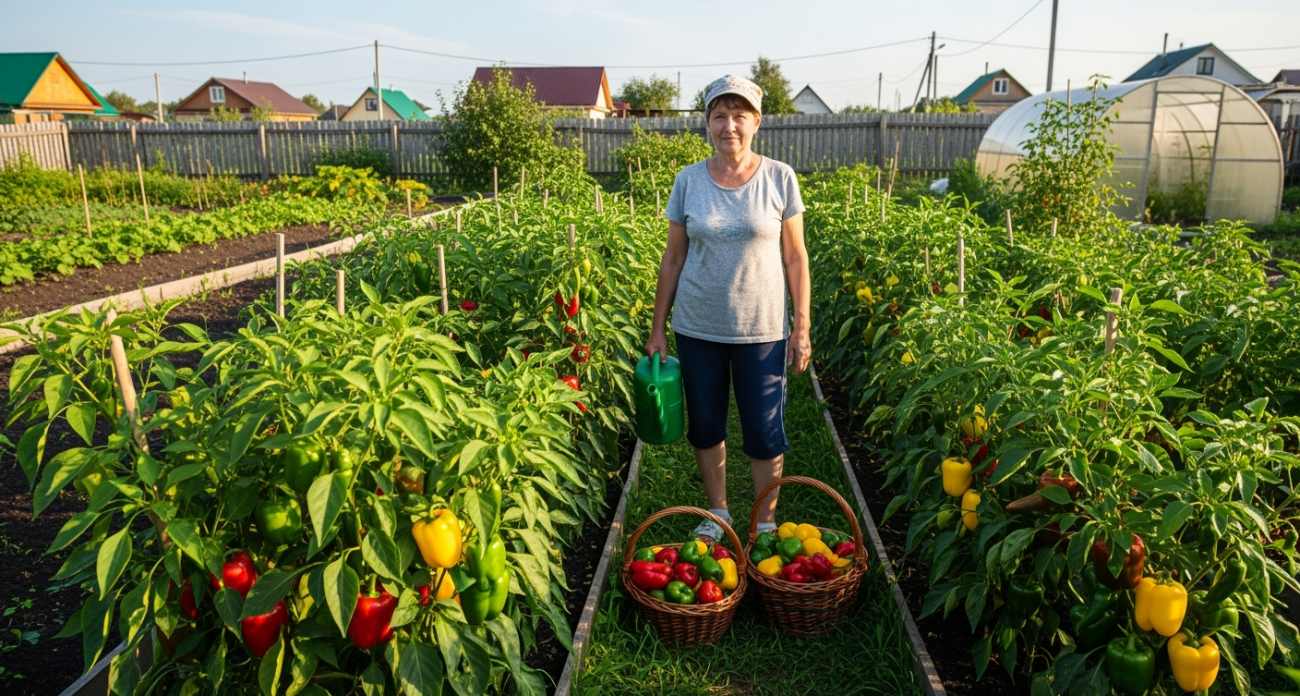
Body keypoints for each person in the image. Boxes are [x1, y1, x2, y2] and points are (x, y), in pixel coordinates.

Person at [644, 74, 812, 542]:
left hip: (762, 329)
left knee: (764, 430)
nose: (729, 126)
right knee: (706, 424)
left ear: (756, 121)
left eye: (739, 115)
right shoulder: (689, 181)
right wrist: (658, 329)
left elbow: (795, 256)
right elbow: (673, 256)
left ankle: (764, 520)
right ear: (707, 124)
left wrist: (802, 327)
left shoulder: (780, 177)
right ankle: (719, 513)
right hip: (697, 327)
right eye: (719, 115)